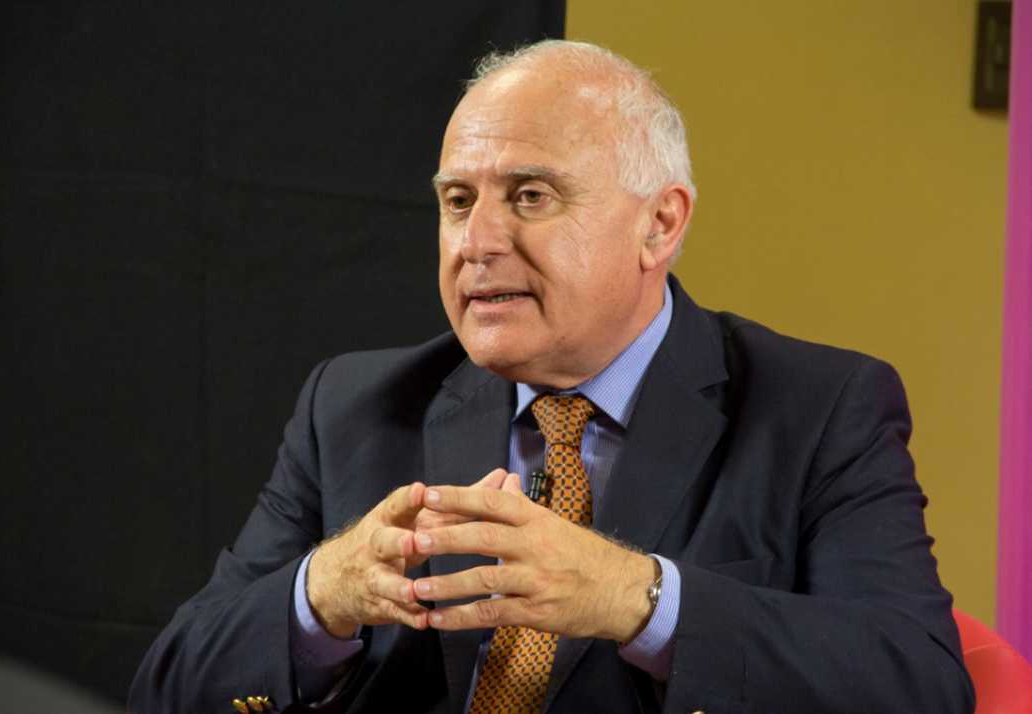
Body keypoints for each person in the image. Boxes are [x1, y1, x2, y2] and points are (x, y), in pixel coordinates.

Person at [129, 40, 974, 713]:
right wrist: (319, 595)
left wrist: (637, 600)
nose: (476, 242)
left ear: (659, 224)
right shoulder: (353, 407)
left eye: (530, 196)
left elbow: (920, 684)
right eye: (457, 201)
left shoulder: (818, 409)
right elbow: (168, 686)